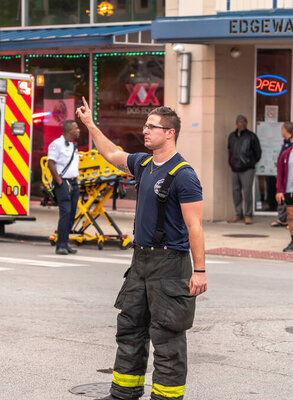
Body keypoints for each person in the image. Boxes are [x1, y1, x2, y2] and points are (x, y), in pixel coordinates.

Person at [76, 98, 206, 400]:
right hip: (141, 262)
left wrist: (199, 271)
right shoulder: (145, 164)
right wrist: (90, 124)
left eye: (151, 127)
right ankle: (123, 393)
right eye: (145, 125)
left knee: (167, 337)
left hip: (171, 264)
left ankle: (166, 397)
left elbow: (195, 226)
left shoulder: (184, 175)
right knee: (130, 329)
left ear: (169, 133)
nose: (144, 130)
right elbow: (111, 154)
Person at [47, 120, 80, 255]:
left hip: (74, 182)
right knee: (65, 213)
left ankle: (65, 244)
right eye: (76, 128)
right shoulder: (56, 144)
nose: (78, 130)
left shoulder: (73, 145)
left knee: (72, 214)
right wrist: (59, 182)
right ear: (69, 130)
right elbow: (51, 163)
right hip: (63, 183)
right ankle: (60, 245)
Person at [227, 114, 262, 224]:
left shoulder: (251, 136)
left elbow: (258, 153)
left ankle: (248, 215)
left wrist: (250, 163)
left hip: (247, 169)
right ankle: (239, 214)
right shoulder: (232, 136)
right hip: (235, 169)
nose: (242, 124)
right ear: (236, 124)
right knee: (236, 192)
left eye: (244, 122)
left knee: (247, 192)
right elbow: (229, 150)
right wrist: (231, 163)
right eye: (240, 122)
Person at [271, 121, 293, 227]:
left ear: (285, 130)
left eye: (282, 129)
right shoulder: (285, 142)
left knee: (288, 198)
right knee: (281, 195)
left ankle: (290, 220)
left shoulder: (292, 143)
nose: (281, 131)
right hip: (282, 174)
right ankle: (282, 219)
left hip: (288, 175)